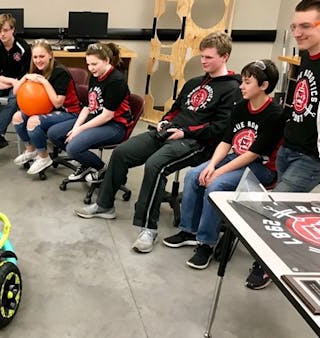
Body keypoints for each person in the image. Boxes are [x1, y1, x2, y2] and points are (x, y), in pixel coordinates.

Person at [74, 32, 241, 254]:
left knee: (155, 164)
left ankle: (148, 228)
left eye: (209, 57)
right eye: (202, 56)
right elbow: (175, 110)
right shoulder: (193, 83)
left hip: (197, 142)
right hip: (169, 133)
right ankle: (105, 205)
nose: (203, 61)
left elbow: (221, 127)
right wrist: (165, 122)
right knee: (122, 152)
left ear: (224, 57)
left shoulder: (232, 89)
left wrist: (184, 131)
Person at [163, 59, 284, 269]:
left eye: (247, 82)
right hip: (235, 158)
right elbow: (226, 141)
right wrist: (212, 165)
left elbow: (253, 155)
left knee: (215, 185)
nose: (241, 86)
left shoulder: (275, 114)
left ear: (264, 86)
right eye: (242, 81)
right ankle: (189, 230)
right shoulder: (240, 108)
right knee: (194, 175)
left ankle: (206, 243)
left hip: (260, 168)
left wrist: (218, 173)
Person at [246, 0, 320, 290]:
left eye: (306, 26)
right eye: (294, 26)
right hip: (289, 146)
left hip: (311, 157)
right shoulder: (306, 55)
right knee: (278, 206)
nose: (298, 32)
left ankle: (265, 267)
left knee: (276, 209)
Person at [48, 43, 132, 181]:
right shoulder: (95, 75)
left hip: (114, 125)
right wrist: (75, 127)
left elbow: (107, 116)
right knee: (54, 134)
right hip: (95, 119)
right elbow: (88, 107)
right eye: (88, 64)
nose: (91, 68)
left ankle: (103, 170)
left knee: (73, 148)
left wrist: (79, 129)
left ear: (106, 61)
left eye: (94, 64)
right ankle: (86, 162)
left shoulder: (116, 80)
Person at [11, 39, 81, 175]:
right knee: (17, 117)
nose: (38, 60)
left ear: (50, 55)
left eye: (42, 56)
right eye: (35, 57)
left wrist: (43, 81)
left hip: (69, 113)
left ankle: (44, 157)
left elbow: (57, 103)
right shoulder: (35, 69)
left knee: (33, 122)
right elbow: (15, 92)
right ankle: (31, 150)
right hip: (49, 110)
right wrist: (25, 78)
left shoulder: (60, 72)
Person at [0, 13, 31, 149]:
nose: (2, 34)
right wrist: (10, 82)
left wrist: (11, 83)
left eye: (5, 30)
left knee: (14, 100)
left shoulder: (23, 47)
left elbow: (26, 74)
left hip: (19, 83)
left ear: (13, 30)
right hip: (5, 83)